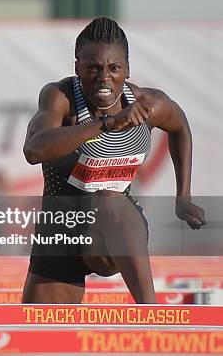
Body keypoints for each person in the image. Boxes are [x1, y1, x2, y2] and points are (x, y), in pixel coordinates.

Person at [21, 17, 205, 304]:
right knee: (38, 338)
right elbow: (34, 150)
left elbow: (180, 127)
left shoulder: (148, 104)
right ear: (77, 68)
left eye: (114, 68)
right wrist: (106, 124)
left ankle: (151, 313)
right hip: (61, 232)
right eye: (92, 68)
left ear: (127, 69)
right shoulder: (61, 98)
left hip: (114, 233)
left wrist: (183, 197)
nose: (104, 78)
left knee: (108, 198)